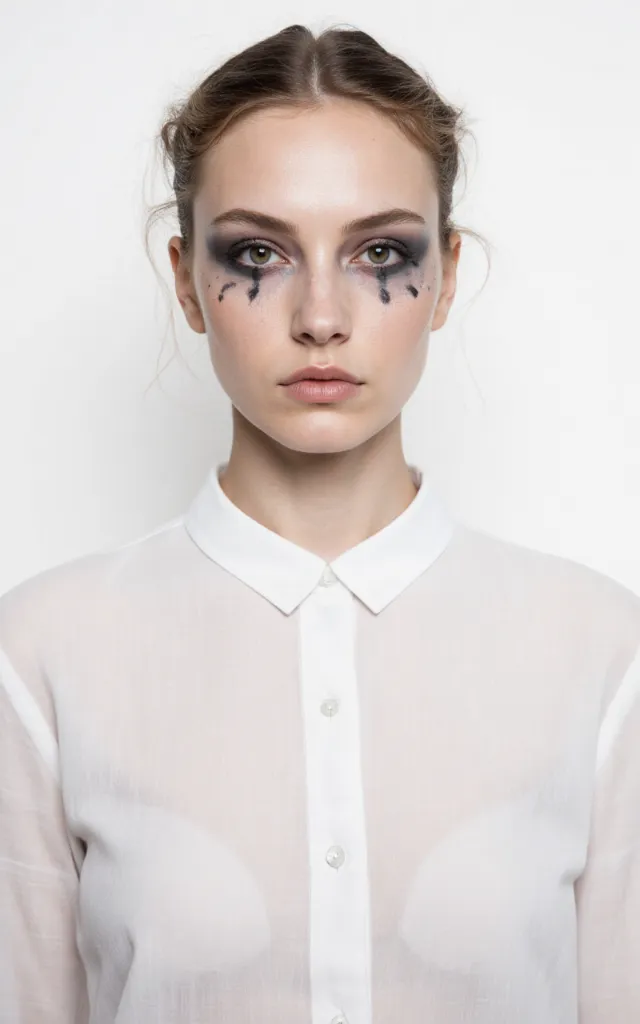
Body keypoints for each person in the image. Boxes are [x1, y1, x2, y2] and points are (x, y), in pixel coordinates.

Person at [0, 22, 638, 1024]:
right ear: (185, 281)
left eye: (380, 251)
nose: (322, 316)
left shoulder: (600, 653)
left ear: (446, 276)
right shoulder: (42, 656)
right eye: (259, 252)